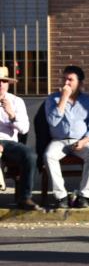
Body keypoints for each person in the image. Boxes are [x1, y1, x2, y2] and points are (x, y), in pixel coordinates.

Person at [44, 65, 89, 209]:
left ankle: (84, 196)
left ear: (80, 83)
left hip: (80, 140)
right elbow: (52, 121)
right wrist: (63, 98)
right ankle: (61, 196)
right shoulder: (52, 99)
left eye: (70, 80)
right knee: (49, 155)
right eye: (64, 79)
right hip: (59, 140)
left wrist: (84, 141)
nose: (66, 83)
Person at [0, 66, 41, 210]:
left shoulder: (16, 101)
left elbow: (24, 128)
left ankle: (25, 197)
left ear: (8, 84)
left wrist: (11, 114)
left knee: (30, 155)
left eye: (4, 81)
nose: (1, 84)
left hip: (9, 143)